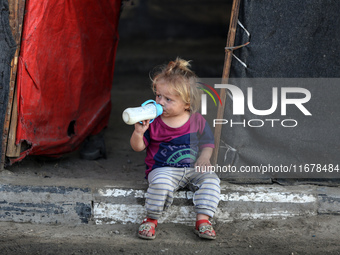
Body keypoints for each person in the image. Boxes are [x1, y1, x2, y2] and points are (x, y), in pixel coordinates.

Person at [130, 57, 221, 240]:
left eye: (168, 99)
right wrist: (139, 132)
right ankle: (151, 219)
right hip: (162, 169)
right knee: (160, 184)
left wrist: (205, 157)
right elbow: (138, 147)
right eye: (158, 95)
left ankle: (203, 220)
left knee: (211, 180)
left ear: (187, 104)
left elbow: (208, 143)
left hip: (192, 168)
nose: (160, 102)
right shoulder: (152, 122)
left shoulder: (197, 120)